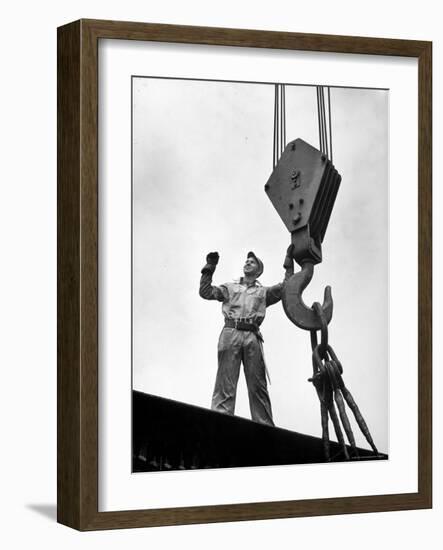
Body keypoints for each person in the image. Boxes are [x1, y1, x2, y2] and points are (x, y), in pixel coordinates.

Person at [199, 249, 294, 426]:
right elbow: (205, 292)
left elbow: (287, 287)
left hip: (252, 335)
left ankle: (264, 426)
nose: (247, 263)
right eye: (246, 261)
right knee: (225, 381)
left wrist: (289, 262)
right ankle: (220, 419)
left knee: (257, 385)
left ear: (259, 270)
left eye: (252, 262)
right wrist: (210, 267)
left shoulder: (263, 292)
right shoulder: (230, 287)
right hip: (231, 331)